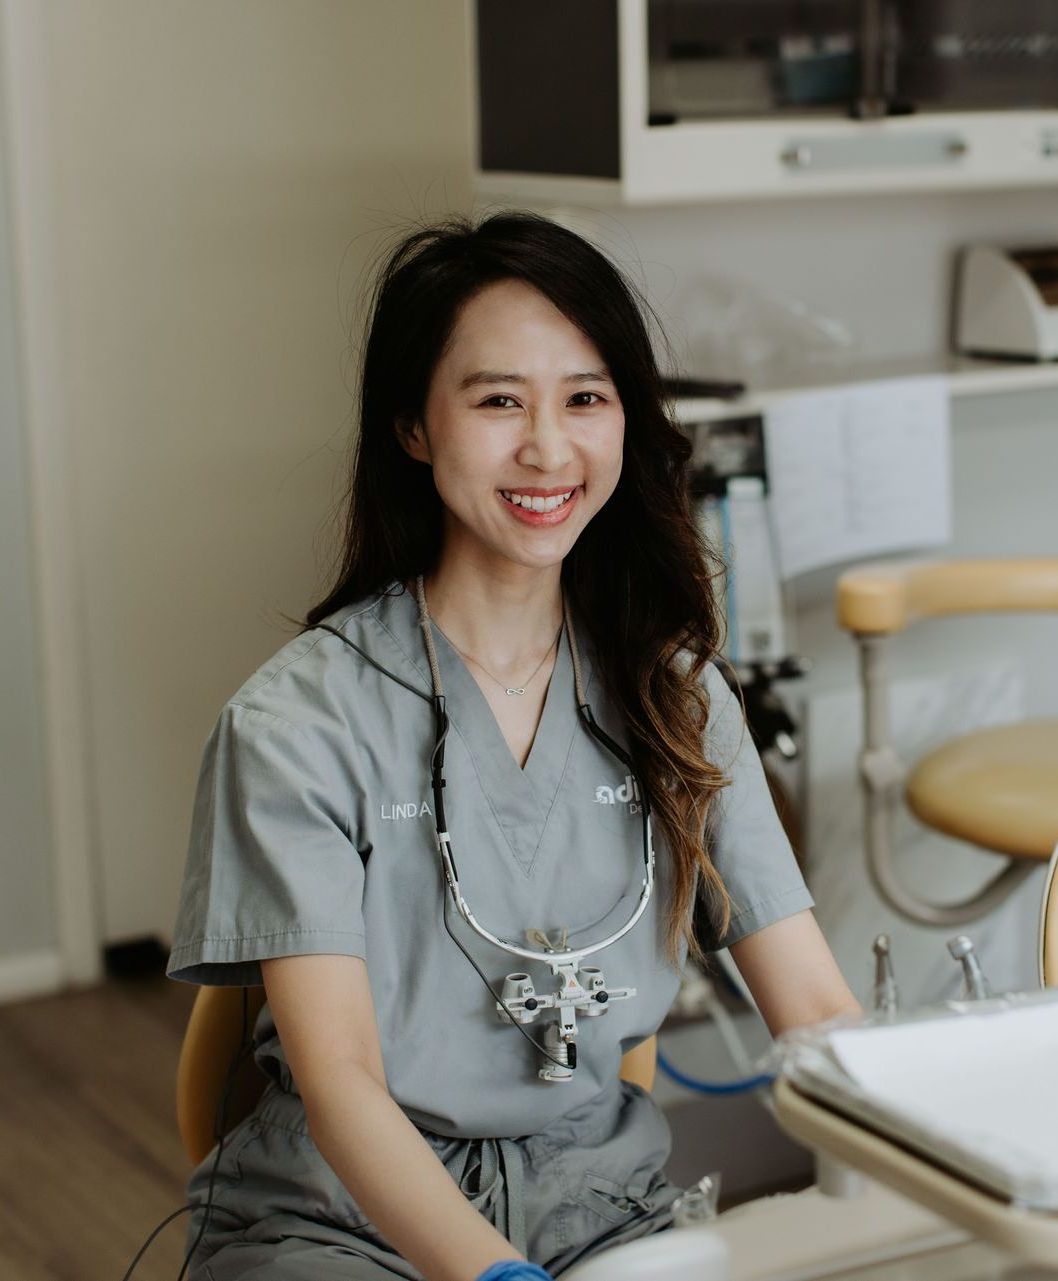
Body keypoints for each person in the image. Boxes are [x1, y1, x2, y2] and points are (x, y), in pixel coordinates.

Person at [166, 211, 860, 1281]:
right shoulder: (297, 725)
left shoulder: (677, 698)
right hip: (344, 1219)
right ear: (412, 425)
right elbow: (343, 1078)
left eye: (585, 398)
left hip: (603, 1209)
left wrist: (944, 1161)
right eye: (498, 401)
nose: (546, 447)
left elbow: (813, 1010)